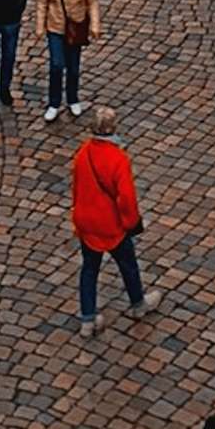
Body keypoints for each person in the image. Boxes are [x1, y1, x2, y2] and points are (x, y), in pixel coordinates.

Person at [70, 106, 157, 336]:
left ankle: (87, 319)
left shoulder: (83, 153)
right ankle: (138, 304)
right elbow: (126, 198)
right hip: (110, 225)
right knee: (127, 264)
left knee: (89, 269)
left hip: (87, 222)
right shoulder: (118, 159)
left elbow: (77, 188)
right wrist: (131, 222)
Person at [36, 0, 100, 120]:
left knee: (73, 67)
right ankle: (53, 103)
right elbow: (42, 1)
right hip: (55, 26)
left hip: (75, 27)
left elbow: (92, 1)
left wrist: (95, 25)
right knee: (56, 65)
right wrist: (40, 25)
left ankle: (73, 99)